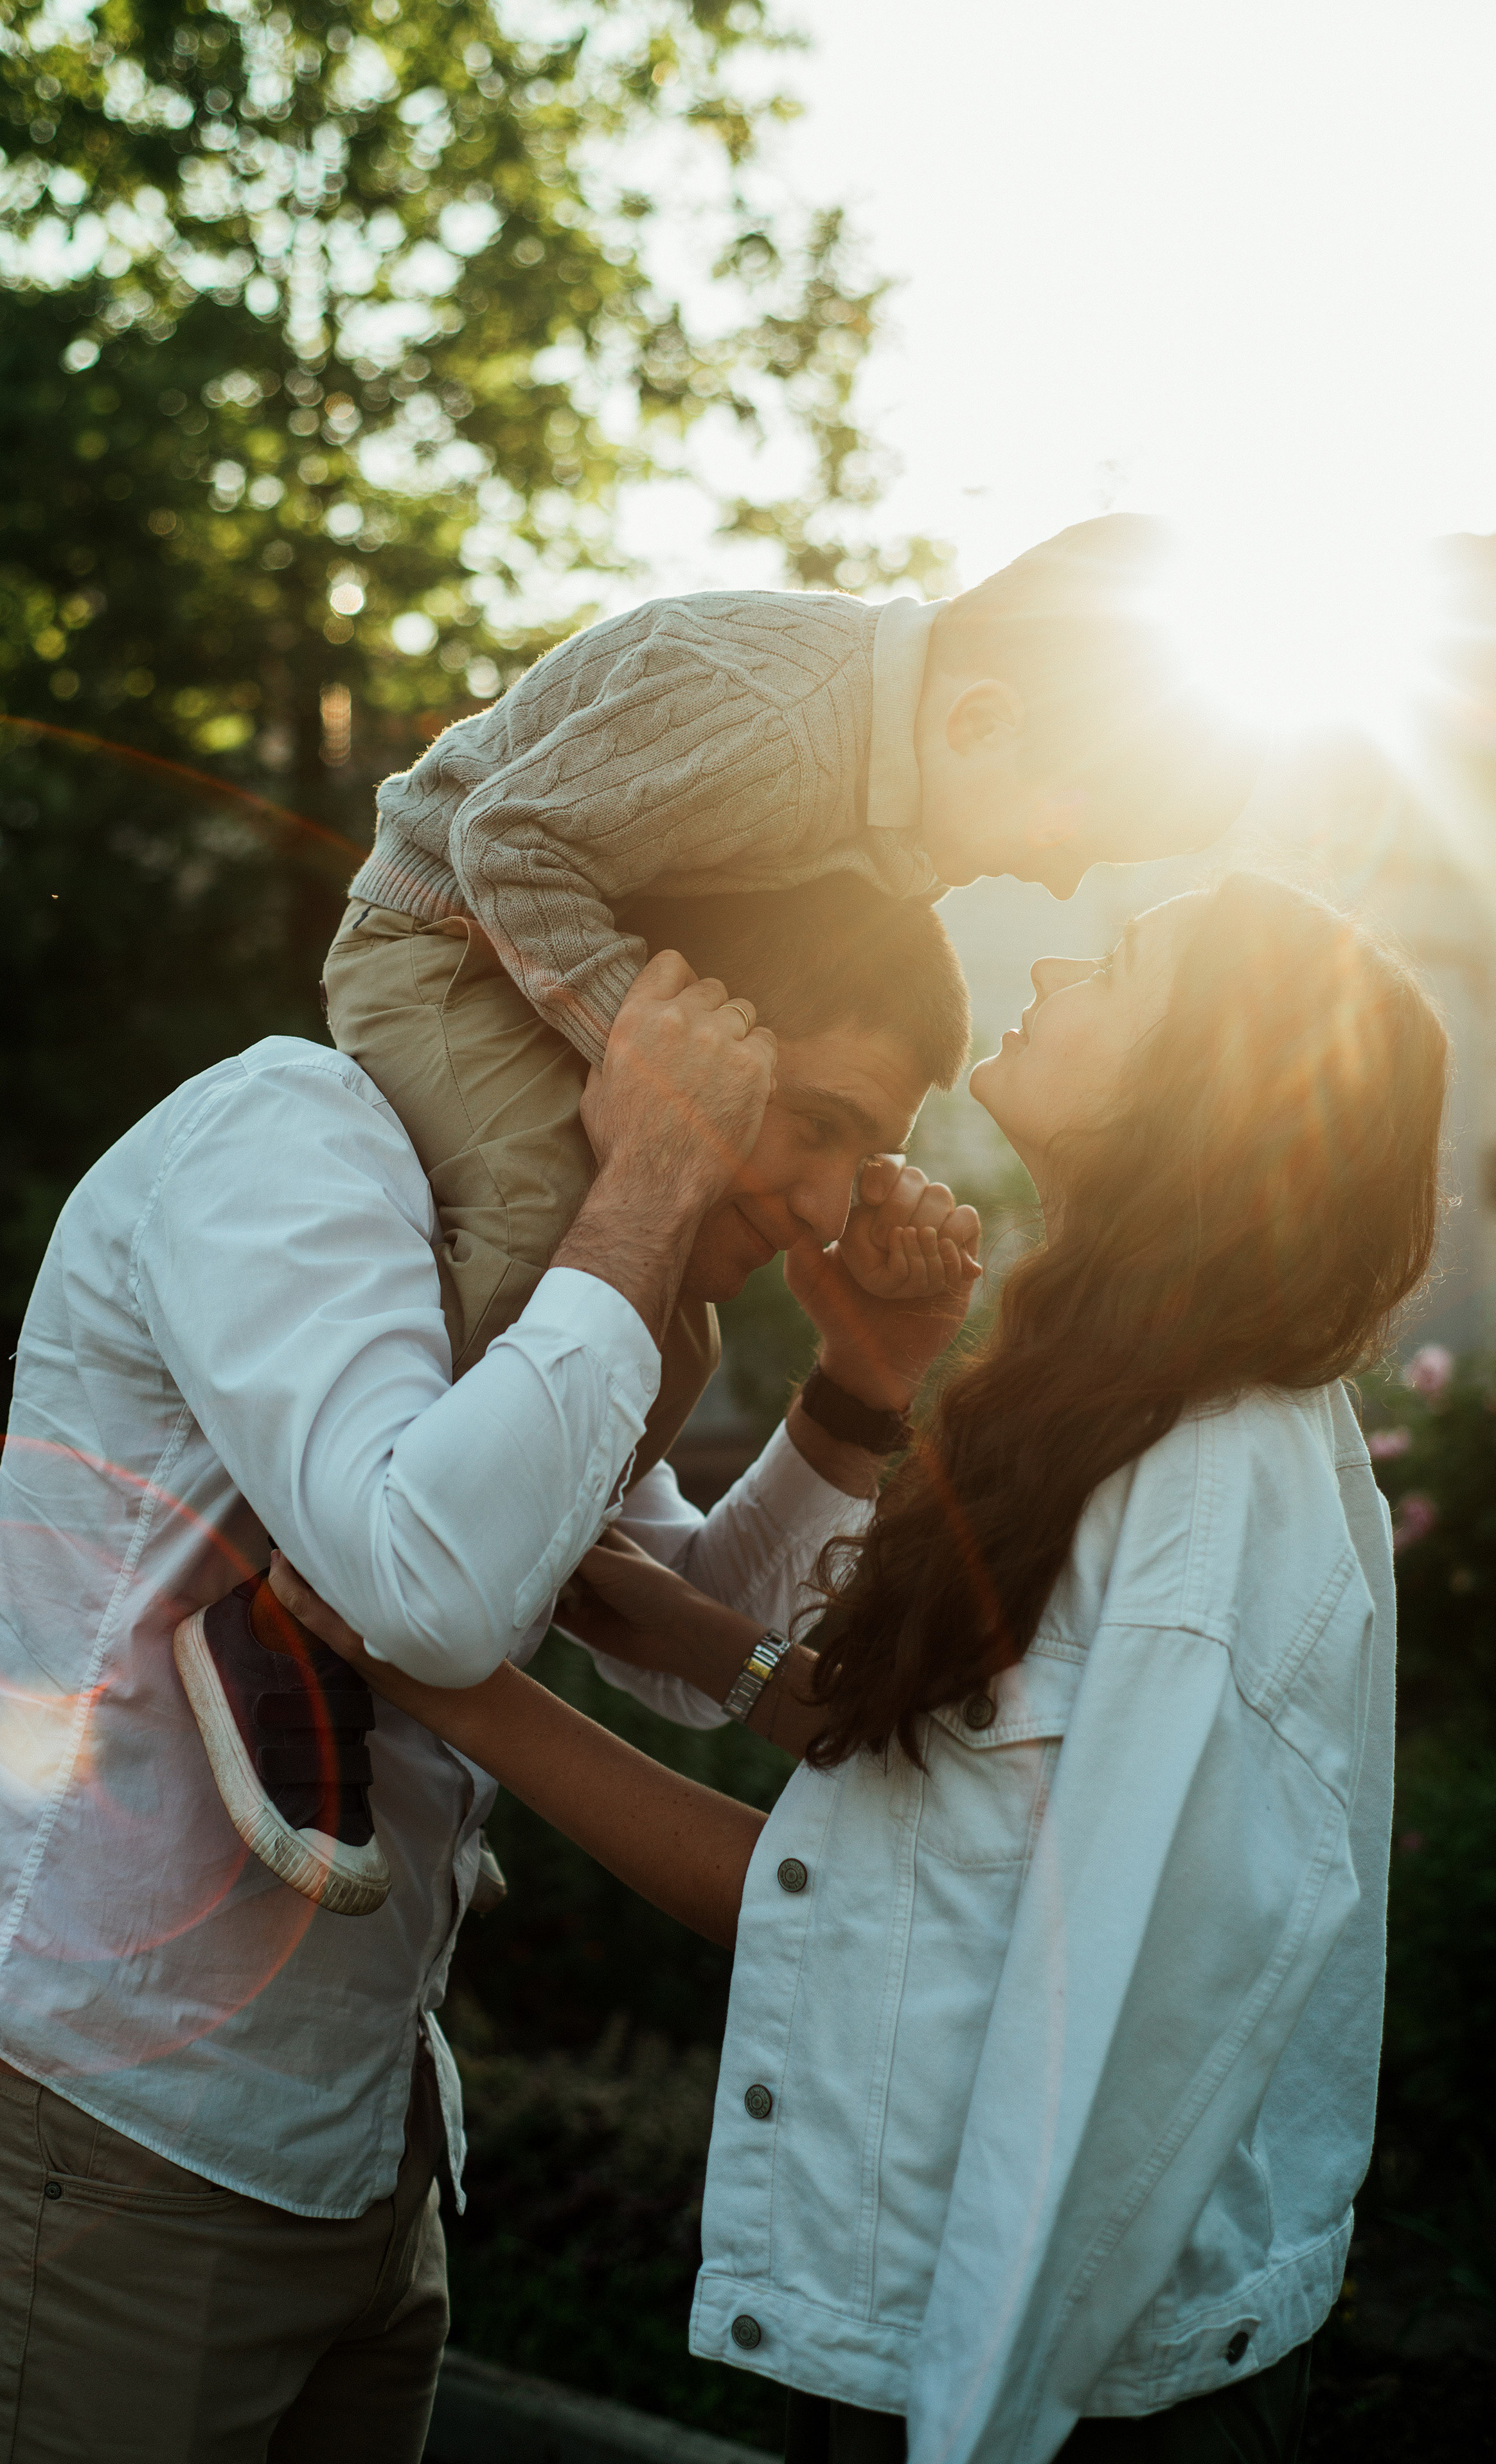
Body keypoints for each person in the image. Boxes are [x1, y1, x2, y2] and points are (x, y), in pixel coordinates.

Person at [272, 873, 1447, 2464]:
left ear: (1206, 1087)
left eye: (1112, 964)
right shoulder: (1113, 1399)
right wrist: (689, 1618)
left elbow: (1036, 1983)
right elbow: (968, 1797)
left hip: (1048, 2378)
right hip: (950, 2344)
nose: (1054, 962)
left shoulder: (1208, 1487)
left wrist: (447, 1682)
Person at [0, 877, 979, 2463]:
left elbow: (683, 1633)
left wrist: (859, 1388)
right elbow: (427, 1593)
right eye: (809, 1119)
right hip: (104, 2139)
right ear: (646, 1030)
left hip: (364, 2157)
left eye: (863, 1156)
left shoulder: (598, 1296)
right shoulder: (292, 1142)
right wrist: (652, 1178)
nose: (821, 1199)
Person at [196, 519, 1260, 1896]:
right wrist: (658, 1079)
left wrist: (856, 1376)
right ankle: (292, 1611)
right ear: (985, 719)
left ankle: (470, 1581)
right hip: (447, 938)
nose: (1060, 880)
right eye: (1078, 835)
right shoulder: (774, 715)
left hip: (560, 959)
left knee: (663, 1331)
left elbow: (703, 1643)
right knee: (542, 1228)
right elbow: (501, 838)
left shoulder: (889, 789)